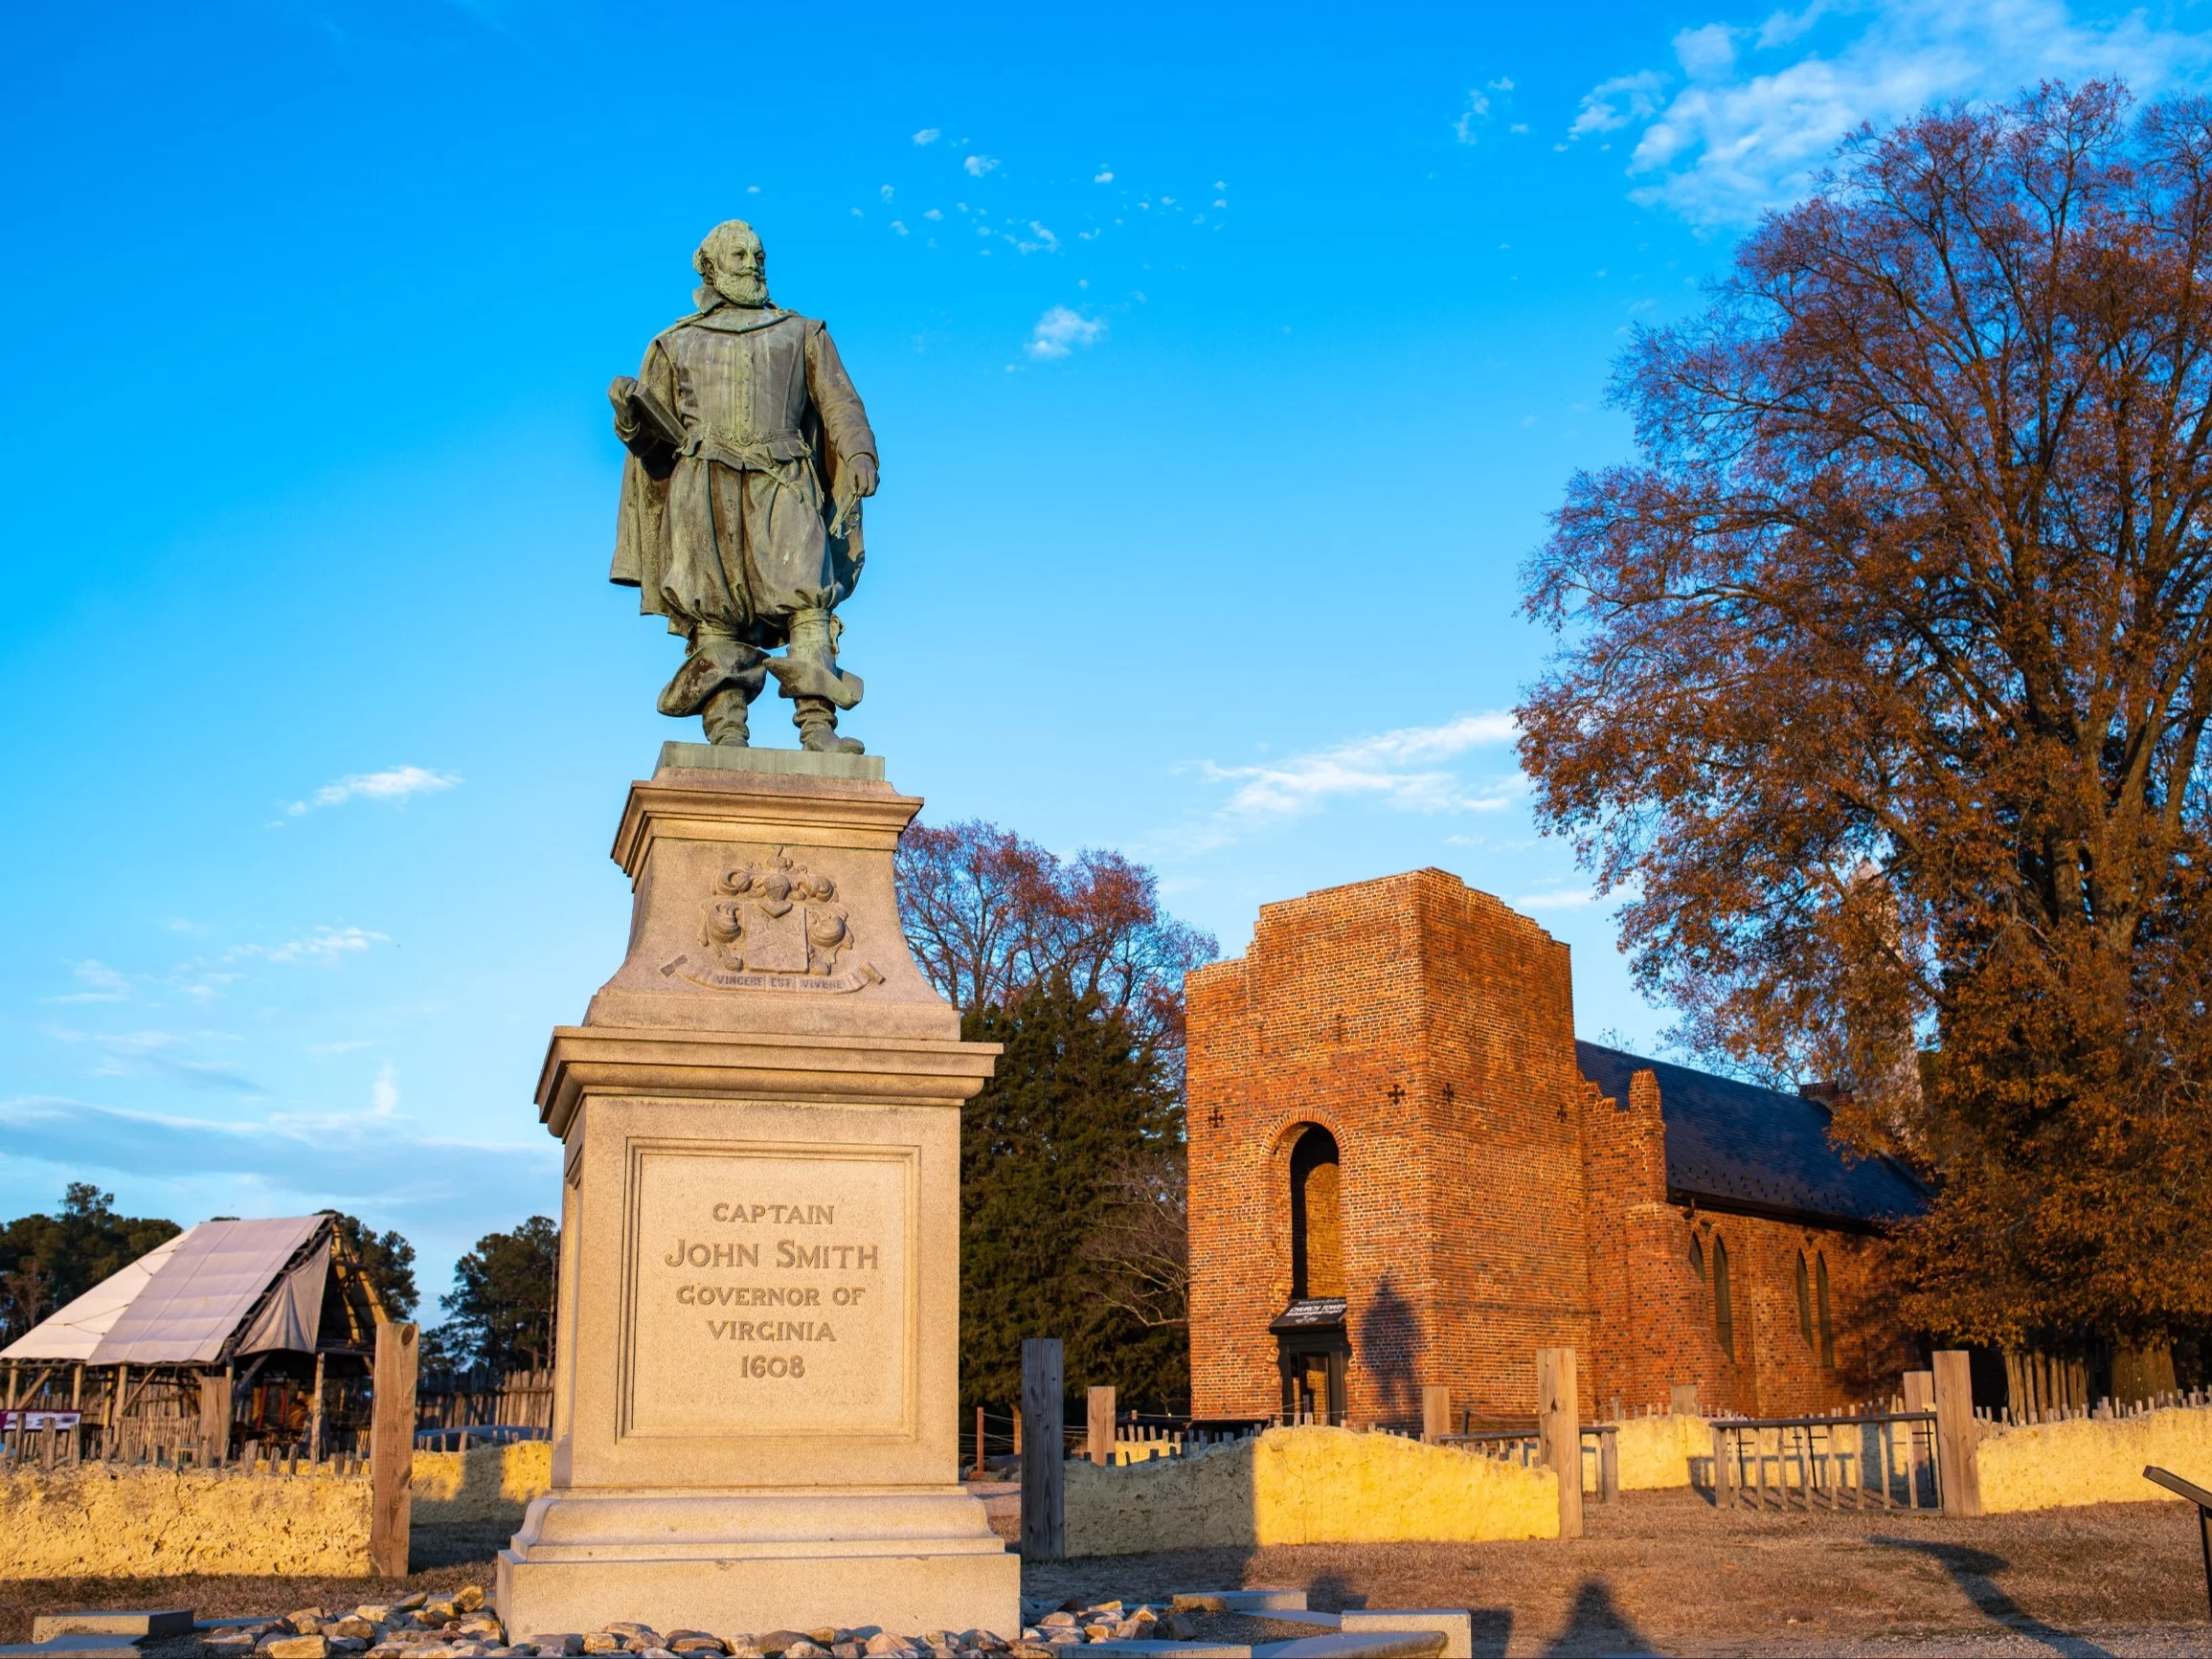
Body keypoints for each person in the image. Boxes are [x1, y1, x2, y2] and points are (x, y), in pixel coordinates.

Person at [608, 221, 879, 752]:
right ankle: (726, 730)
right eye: (739, 255)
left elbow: (840, 402)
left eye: (758, 254)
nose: (753, 262)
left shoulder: (802, 331)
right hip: (703, 487)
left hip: (784, 478)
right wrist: (630, 418)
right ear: (711, 266)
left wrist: (859, 450)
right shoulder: (674, 341)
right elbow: (654, 450)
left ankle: (818, 728)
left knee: (807, 598)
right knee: (715, 610)